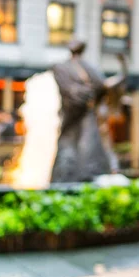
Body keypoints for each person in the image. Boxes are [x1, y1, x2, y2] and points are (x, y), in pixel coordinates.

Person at [51, 40, 127, 182]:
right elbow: (69, 90)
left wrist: (123, 67)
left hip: (86, 114)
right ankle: (66, 177)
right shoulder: (61, 67)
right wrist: (85, 93)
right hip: (72, 115)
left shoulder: (90, 68)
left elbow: (104, 85)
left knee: (89, 148)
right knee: (68, 151)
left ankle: (87, 175)